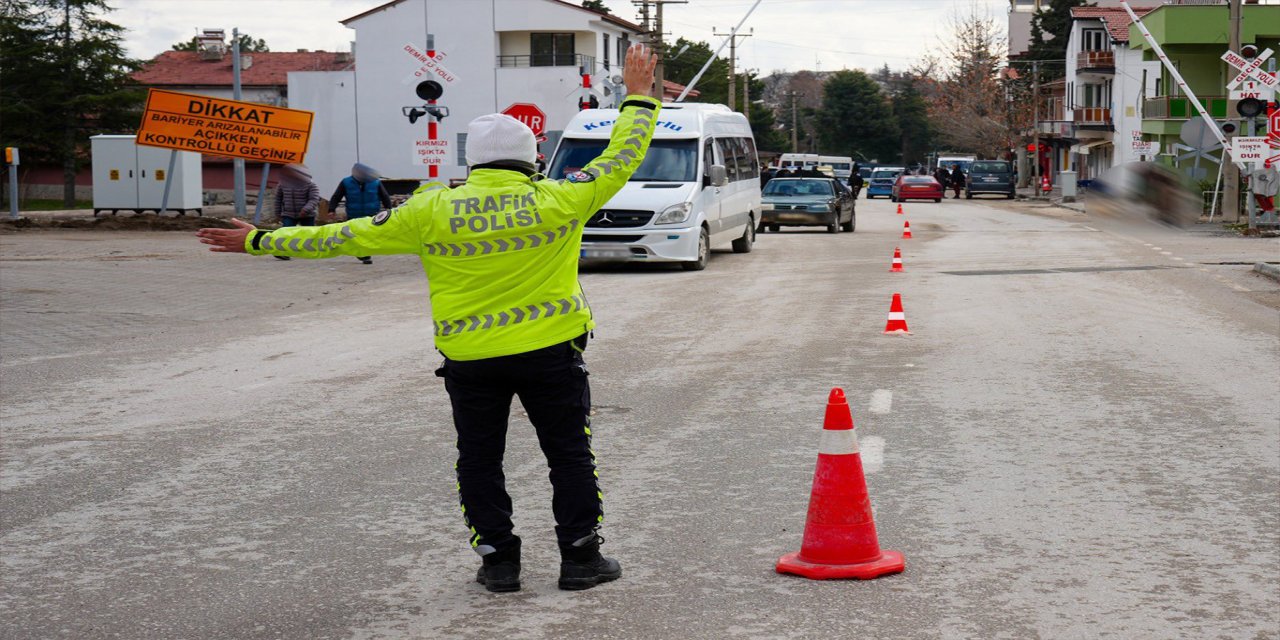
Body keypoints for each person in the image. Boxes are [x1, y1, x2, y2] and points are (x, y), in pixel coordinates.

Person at [196, 43, 662, 594]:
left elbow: (340, 236)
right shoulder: (563, 198)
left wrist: (259, 239)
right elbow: (621, 155)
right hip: (551, 352)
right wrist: (636, 95)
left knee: (479, 460)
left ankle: (498, 564)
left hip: (470, 361)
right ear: (533, 156)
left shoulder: (429, 208)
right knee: (567, 454)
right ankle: (581, 561)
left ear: (473, 163)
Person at [328, 163, 391, 264]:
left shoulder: (375, 182)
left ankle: (365, 253)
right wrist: (331, 209)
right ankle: (363, 254)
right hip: (354, 214)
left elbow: (384, 196)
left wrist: (389, 209)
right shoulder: (346, 182)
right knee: (355, 235)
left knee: (368, 235)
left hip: (371, 215)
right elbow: (336, 196)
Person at [270, 164, 321, 261]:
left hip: (307, 215)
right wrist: (278, 213)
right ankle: (282, 252)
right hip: (289, 214)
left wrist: (305, 209)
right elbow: (278, 199)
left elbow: (314, 199)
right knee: (285, 233)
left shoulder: (311, 185)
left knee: (308, 235)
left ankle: (309, 251)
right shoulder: (283, 184)